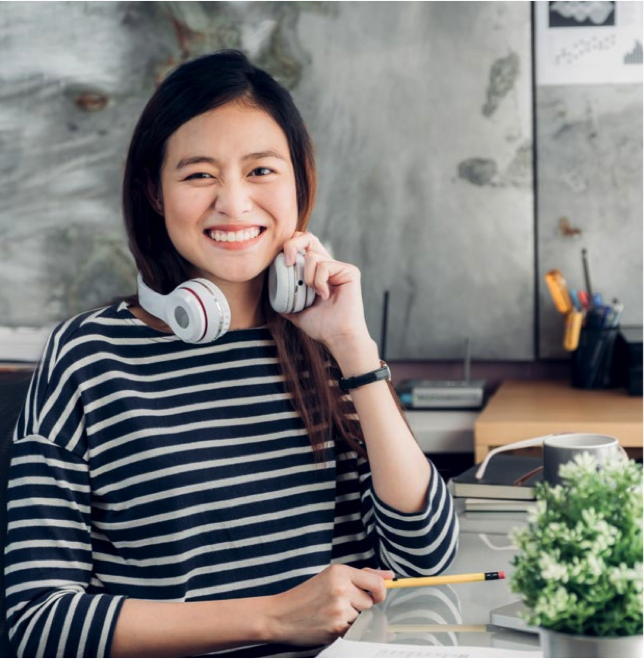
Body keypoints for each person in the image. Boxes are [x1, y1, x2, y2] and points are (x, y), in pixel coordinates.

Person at [4, 50, 458, 659]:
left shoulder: (329, 347)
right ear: (155, 194)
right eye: (199, 175)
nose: (235, 204)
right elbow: (38, 622)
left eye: (262, 171)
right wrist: (272, 619)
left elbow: (424, 561)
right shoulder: (88, 357)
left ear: (298, 181)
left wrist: (355, 351)